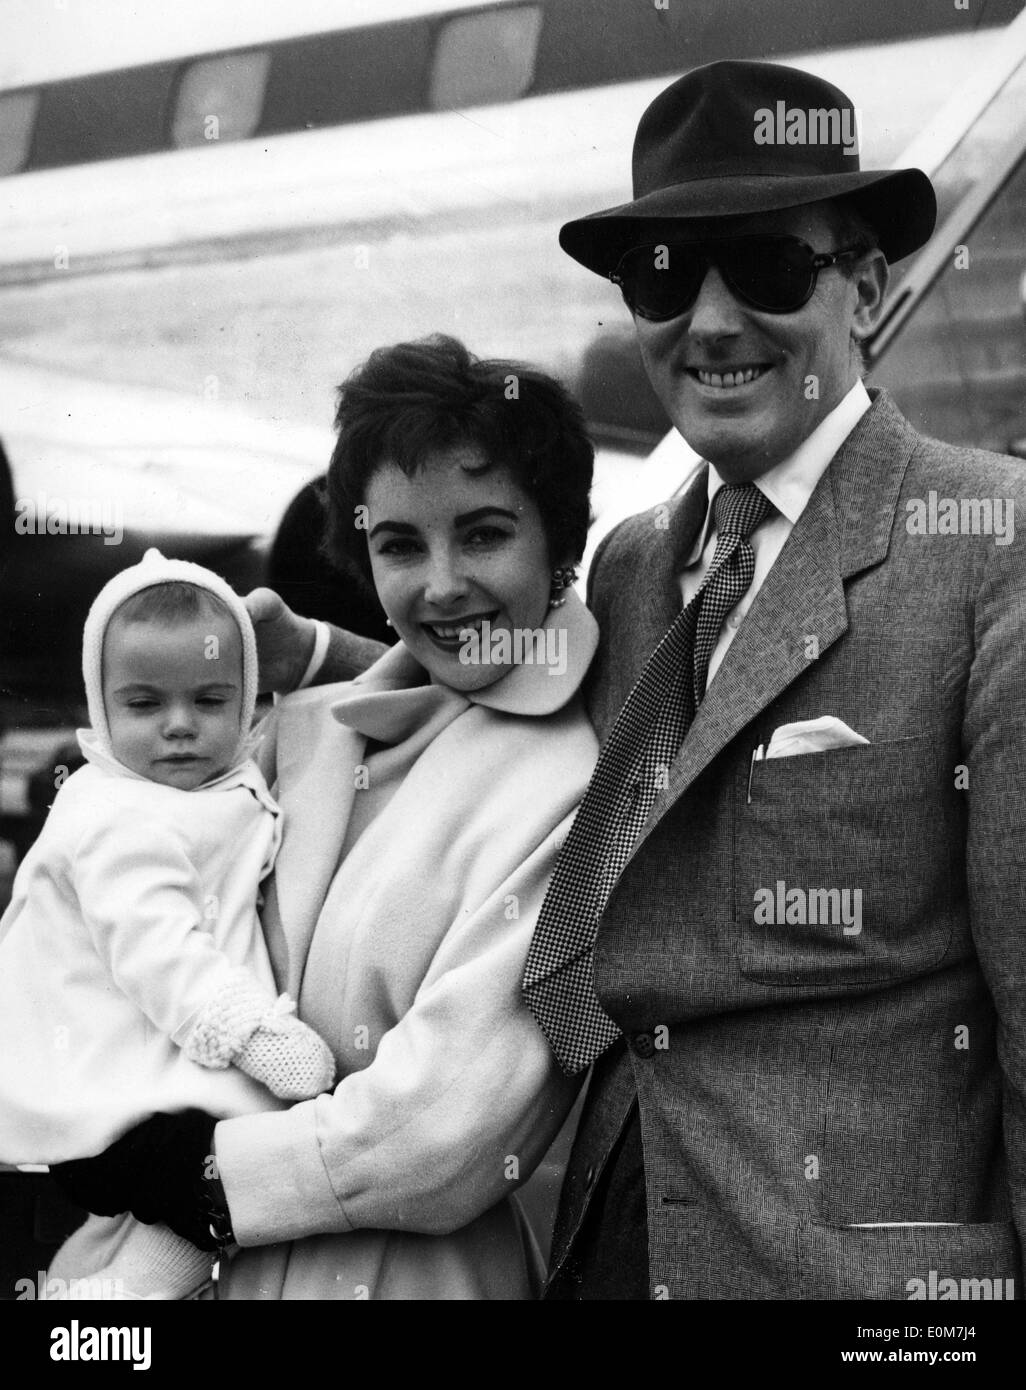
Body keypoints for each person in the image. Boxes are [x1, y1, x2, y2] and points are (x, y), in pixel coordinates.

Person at [241, 59, 1026, 1301]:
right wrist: (315, 662)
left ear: (868, 288)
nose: (710, 322)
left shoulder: (993, 544)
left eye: (767, 268)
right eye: (664, 277)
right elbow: (507, 673)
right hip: (613, 1241)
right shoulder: (636, 563)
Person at [51, 335, 598, 1299]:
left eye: (483, 534)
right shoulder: (296, 735)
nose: (440, 583)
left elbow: (444, 1133)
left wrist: (203, 1176)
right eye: (399, 545)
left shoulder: (577, 788)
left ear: (558, 542)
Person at [0, 550, 336, 1300]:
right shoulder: (114, 811)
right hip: (101, 1063)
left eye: (211, 701)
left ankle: (103, 1292)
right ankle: (117, 1303)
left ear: (248, 701)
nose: (181, 727)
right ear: (101, 707)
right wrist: (252, 1032)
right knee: (212, 1178)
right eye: (146, 705)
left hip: (148, 1059)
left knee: (201, 1188)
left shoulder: (224, 781)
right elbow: (156, 949)